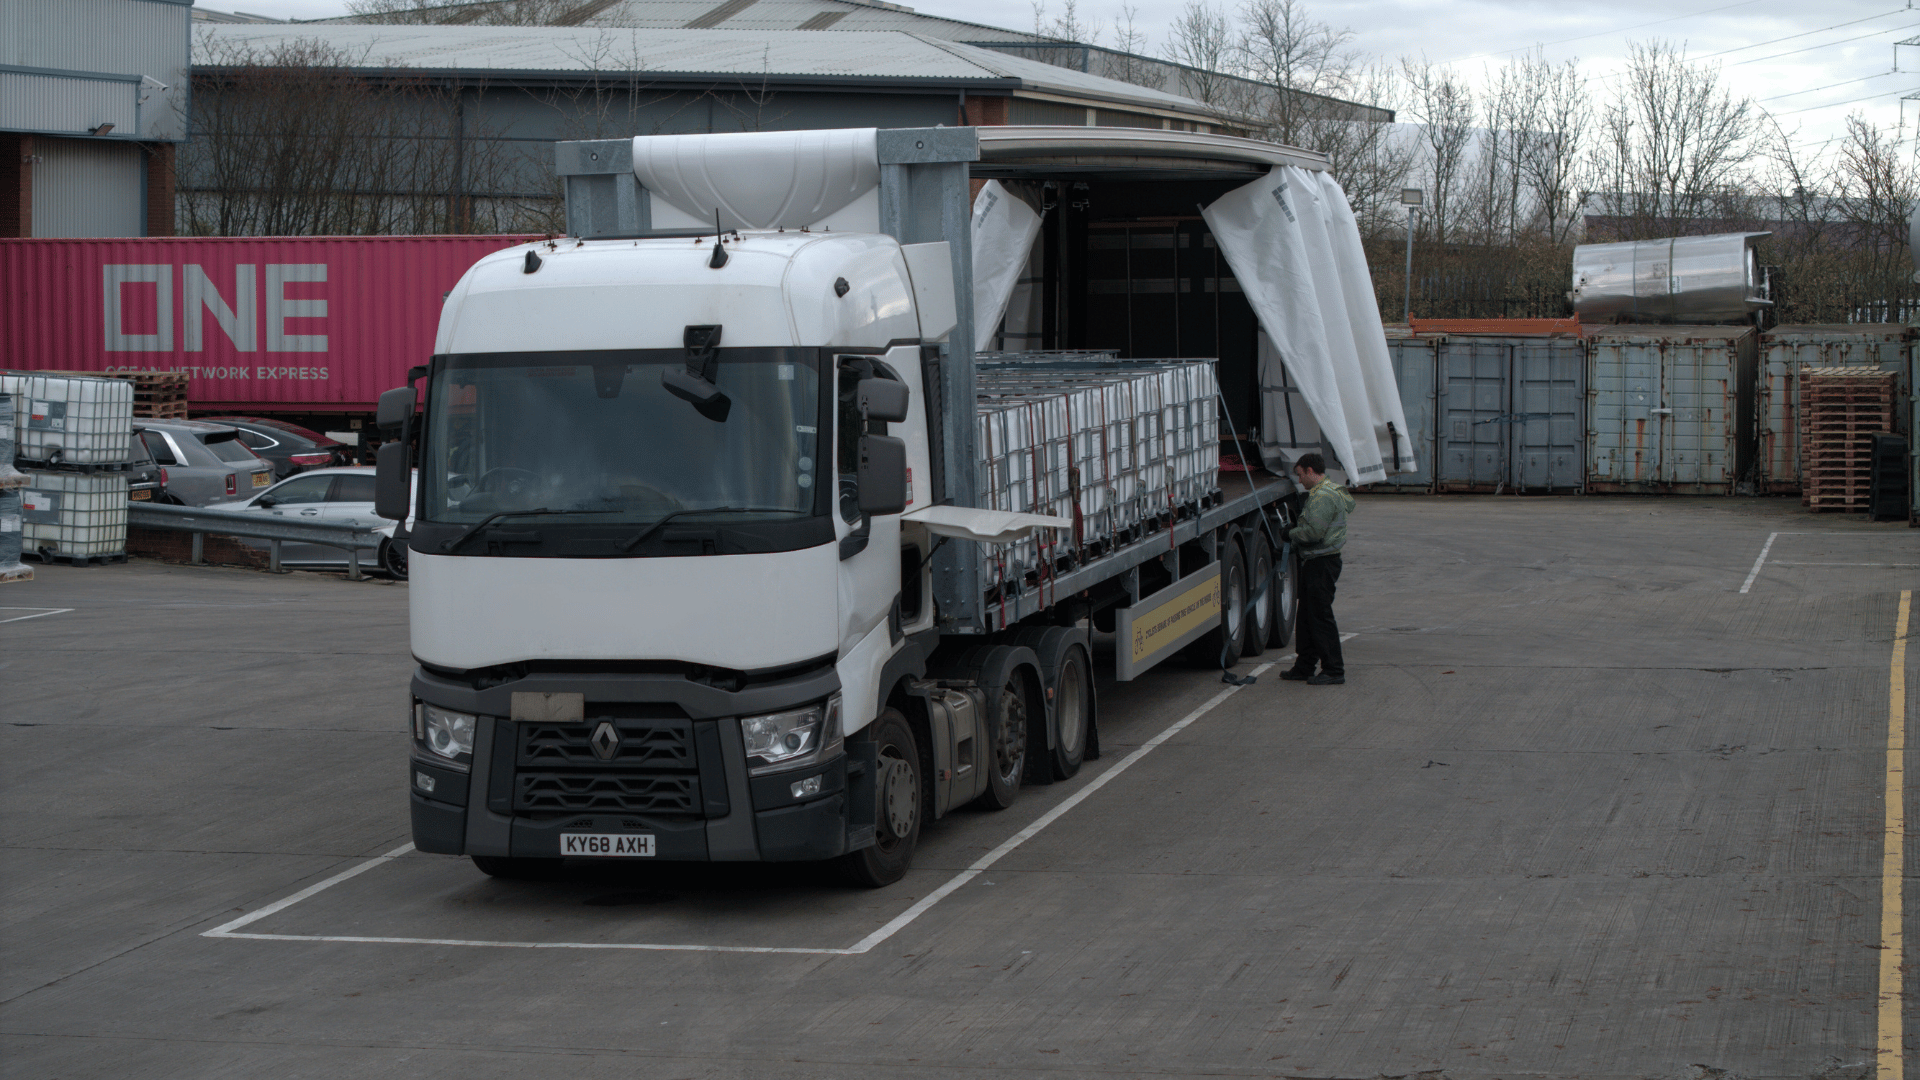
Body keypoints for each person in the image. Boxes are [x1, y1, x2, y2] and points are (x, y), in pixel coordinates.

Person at [1278, 453, 1354, 685]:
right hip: (1318, 562)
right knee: (1306, 617)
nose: (1300, 481)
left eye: (1301, 475)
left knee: (1320, 617)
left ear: (1311, 471)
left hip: (1322, 563)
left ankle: (1333, 670)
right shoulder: (1332, 490)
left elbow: (1313, 533)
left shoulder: (1322, 497)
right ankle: (1304, 666)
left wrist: (1290, 534)